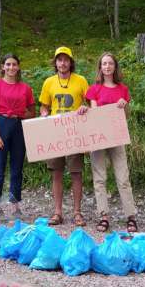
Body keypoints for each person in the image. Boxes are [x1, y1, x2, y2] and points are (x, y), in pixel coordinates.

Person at [86, 52, 138, 232]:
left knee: (123, 177)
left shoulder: (122, 89)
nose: (107, 66)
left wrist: (124, 105)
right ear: (100, 67)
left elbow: (126, 116)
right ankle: (104, 216)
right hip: (99, 137)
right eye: (104, 63)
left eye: (110, 63)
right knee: (99, 178)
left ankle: (130, 216)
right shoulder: (94, 89)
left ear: (115, 67)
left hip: (117, 136)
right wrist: (85, 111)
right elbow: (94, 115)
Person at [38, 46, 89, 227]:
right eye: (59, 59)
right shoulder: (49, 82)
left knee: (76, 173)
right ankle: (58, 212)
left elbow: (90, 103)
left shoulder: (81, 80)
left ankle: (77, 212)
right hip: (55, 134)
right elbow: (44, 105)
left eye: (66, 59)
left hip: (75, 132)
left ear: (71, 62)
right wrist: (44, 113)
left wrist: (85, 108)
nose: (63, 63)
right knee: (57, 174)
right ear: (55, 62)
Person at [0, 53, 35, 219]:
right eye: (8, 64)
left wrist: (21, 113)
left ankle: (15, 206)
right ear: (2, 67)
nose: (11, 67)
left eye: (14, 64)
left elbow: (32, 112)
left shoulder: (25, 88)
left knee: (16, 168)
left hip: (18, 127)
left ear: (18, 67)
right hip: (1, 124)